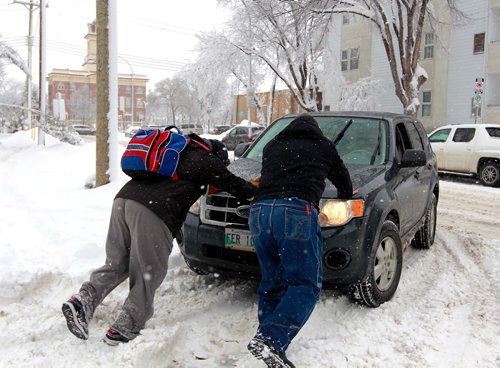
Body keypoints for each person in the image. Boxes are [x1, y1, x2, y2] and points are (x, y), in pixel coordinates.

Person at [62, 135, 256, 345]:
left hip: (124, 200)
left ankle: (83, 300)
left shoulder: (175, 153)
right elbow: (235, 185)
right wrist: (260, 193)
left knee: (117, 262)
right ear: (216, 155)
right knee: (149, 271)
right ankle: (127, 326)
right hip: (153, 210)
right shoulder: (205, 160)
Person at [247, 114, 353, 367]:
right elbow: (343, 181)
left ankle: (268, 340)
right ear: (314, 131)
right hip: (295, 211)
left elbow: (272, 176)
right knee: (306, 284)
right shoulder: (323, 146)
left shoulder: (273, 145)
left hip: (260, 212)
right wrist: (346, 194)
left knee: (272, 282)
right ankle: (271, 338)